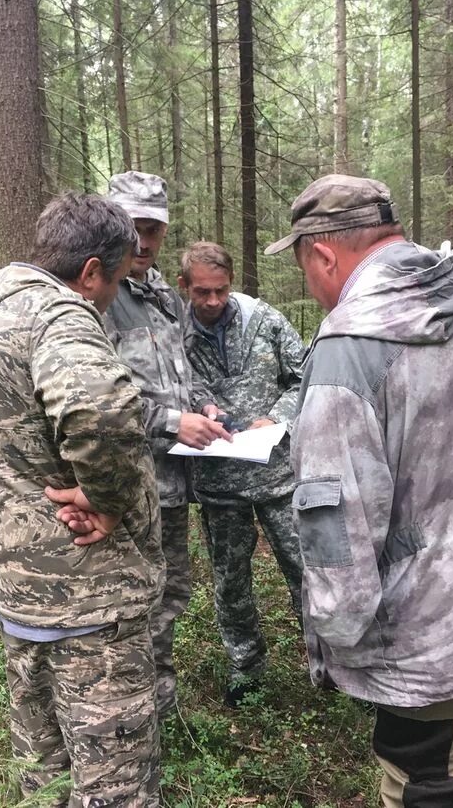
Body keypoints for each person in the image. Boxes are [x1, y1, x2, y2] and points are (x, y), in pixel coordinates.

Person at [0, 193, 165, 807]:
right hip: (90, 594)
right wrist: (108, 499)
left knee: (45, 773)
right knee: (113, 782)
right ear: (91, 270)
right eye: (114, 280)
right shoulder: (58, 315)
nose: (112, 295)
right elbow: (103, 411)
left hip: (19, 586)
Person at [265, 173, 453, 806]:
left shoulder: (349, 348)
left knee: (426, 786)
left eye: (308, 269)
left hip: (429, 636)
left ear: (323, 254)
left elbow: (337, 527)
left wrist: (335, 637)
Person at [101, 171, 229, 718]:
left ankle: (162, 705)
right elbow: (98, 397)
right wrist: (172, 421)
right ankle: (128, 711)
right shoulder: (94, 297)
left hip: (173, 484)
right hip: (125, 484)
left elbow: (180, 376)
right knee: (127, 600)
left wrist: (201, 406)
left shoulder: (163, 299)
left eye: (154, 228)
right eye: (135, 227)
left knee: (169, 594)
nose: (145, 241)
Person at [178, 241, 306, 707]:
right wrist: (195, 406)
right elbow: (167, 389)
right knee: (231, 579)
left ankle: (330, 663)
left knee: (306, 571)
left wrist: (277, 416)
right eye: (203, 293)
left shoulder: (264, 321)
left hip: (279, 476)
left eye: (221, 291)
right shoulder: (173, 334)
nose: (213, 301)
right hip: (218, 483)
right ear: (185, 287)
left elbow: (303, 375)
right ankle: (246, 669)